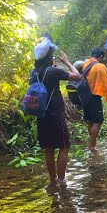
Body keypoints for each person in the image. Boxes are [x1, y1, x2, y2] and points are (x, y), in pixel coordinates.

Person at [30, 37, 81, 189]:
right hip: (56, 113)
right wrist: (67, 61)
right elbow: (77, 76)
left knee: (49, 149)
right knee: (64, 147)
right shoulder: (52, 71)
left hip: (41, 113)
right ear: (49, 57)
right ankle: (61, 180)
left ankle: (52, 182)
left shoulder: (34, 72)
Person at [81, 48, 107, 150]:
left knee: (90, 121)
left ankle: (92, 143)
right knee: (98, 121)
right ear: (101, 56)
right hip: (95, 97)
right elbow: (106, 85)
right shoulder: (100, 67)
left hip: (85, 96)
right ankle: (92, 145)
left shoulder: (86, 64)